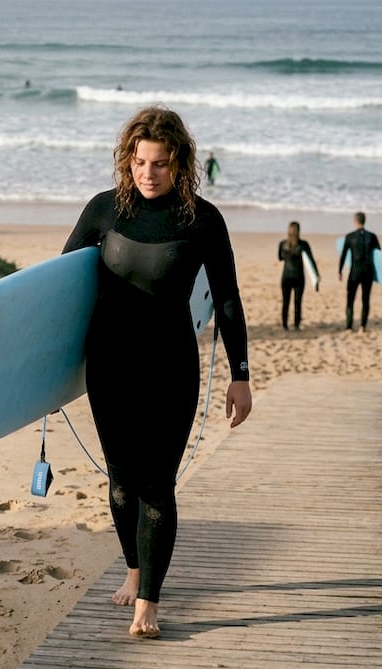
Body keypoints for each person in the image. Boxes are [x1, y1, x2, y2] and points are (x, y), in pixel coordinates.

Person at [61, 106, 252, 639]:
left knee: (157, 486)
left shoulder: (202, 219)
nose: (149, 173)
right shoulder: (103, 211)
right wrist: (46, 377)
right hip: (110, 367)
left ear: (180, 163)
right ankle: (133, 567)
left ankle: (148, 601)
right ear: (128, 161)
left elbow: (229, 300)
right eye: (140, 162)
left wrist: (241, 373)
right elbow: (59, 295)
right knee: (121, 483)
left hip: (170, 367)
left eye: (161, 164)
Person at [338, 212, 381, 331]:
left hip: (355, 272)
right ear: (364, 221)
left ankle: (349, 326)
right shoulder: (372, 236)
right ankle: (362, 326)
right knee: (365, 299)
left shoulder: (350, 236)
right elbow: (379, 256)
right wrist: (379, 274)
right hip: (368, 272)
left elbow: (343, 255)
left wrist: (340, 271)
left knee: (350, 298)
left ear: (355, 221)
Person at [278, 221, 318, 330]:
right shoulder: (304, 245)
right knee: (298, 302)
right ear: (299, 231)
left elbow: (280, 258)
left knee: (285, 302)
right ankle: (296, 325)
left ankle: (285, 325)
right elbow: (311, 260)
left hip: (286, 276)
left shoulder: (282, 244)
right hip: (299, 277)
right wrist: (316, 275)